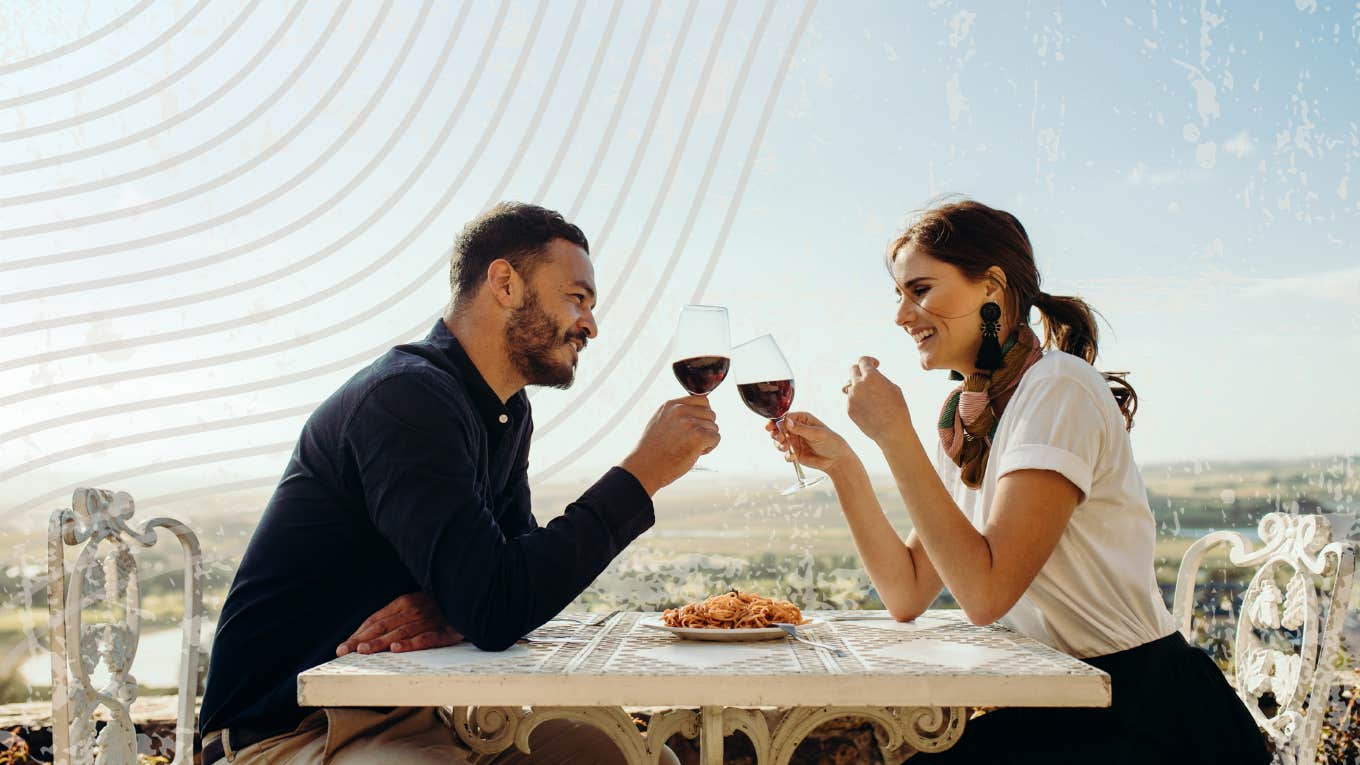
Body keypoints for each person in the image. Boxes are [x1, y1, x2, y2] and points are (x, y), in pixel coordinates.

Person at [199, 202, 714, 765]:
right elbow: (498, 606)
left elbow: (512, 581)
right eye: (577, 298)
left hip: (419, 711)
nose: (590, 324)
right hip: (290, 731)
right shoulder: (405, 398)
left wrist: (457, 604)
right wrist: (642, 475)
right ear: (505, 283)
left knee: (639, 759)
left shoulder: (507, 412)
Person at [767, 199, 1269, 764]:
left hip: (1144, 713)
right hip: (1060, 705)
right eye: (901, 295)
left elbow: (985, 592)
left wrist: (895, 437)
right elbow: (907, 591)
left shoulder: (1058, 388)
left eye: (921, 289)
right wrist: (844, 466)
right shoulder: (968, 416)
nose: (903, 316)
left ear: (992, 285)